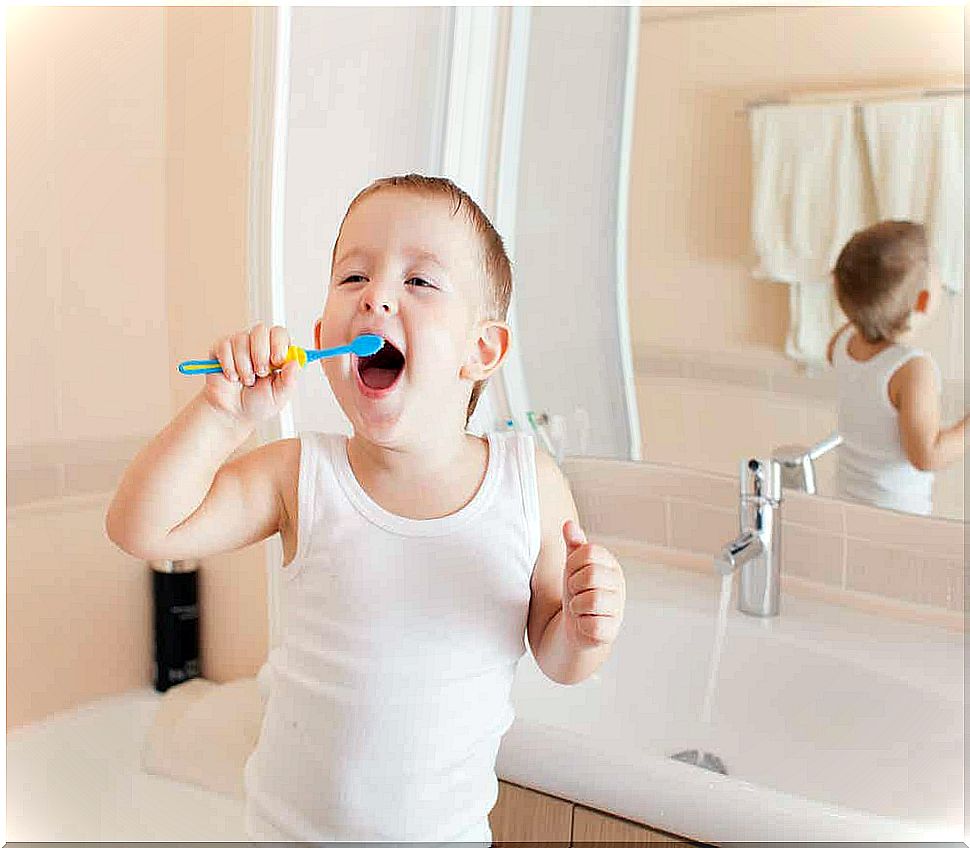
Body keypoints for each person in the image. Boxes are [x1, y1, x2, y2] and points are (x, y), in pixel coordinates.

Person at [105, 174, 627, 841]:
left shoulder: (528, 483)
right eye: (354, 277)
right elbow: (141, 529)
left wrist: (586, 629)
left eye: (419, 282)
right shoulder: (300, 475)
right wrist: (221, 415)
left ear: (482, 349)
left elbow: (558, 656)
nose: (376, 294)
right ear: (324, 337)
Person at [827, 220, 967, 515]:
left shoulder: (841, 342)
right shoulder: (912, 370)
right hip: (896, 518)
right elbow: (927, 455)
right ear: (923, 300)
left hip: (845, 505)